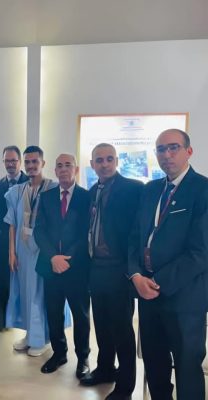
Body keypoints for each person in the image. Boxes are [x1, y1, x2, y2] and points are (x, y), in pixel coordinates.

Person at [129, 129, 208, 400]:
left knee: (187, 367)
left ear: (189, 151)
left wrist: (158, 282)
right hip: (147, 293)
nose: (167, 154)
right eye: (161, 149)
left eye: (173, 147)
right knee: (155, 363)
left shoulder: (203, 190)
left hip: (184, 297)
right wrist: (135, 274)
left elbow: (201, 251)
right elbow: (134, 237)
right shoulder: (150, 190)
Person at [81, 144, 143, 400]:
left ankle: (125, 386)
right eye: (99, 160)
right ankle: (105, 369)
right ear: (92, 164)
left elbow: (138, 232)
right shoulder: (91, 191)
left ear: (116, 161)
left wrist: (134, 268)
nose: (104, 164)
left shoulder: (133, 189)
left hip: (120, 268)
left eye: (109, 159)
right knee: (101, 324)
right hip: (96, 267)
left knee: (122, 329)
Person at [34, 154, 91, 378]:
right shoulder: (46, 197)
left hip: (77, 268)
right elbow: (39, 230)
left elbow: (86, 232)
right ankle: (59, 354)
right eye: (60, 166)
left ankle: (83, 357)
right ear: (55, 171)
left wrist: (67, 259)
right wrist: (53, 257)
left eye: (68, 165)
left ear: (76, 169)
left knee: (81, 315)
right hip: (51, 267)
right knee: (54, 312)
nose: (64, 169)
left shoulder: (86, 197)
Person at [4, 145, 57, 357]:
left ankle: (41, 338)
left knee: (39, 294)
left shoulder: (53, 189)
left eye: (35, 161)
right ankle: (29, 334)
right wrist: (11, 253)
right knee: (25, 292)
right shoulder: (16, 192)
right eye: (27, 162)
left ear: (43, 163)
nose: (31, 165)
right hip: (22, 251)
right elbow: (12, 224)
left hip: (44, 251)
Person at [0, 145, 28, 330]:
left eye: (14, 160)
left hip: (27, 242)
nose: (11, 164)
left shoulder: (31, 183)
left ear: (20, 162)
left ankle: (26, 321)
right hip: (4, 241)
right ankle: (2, 321)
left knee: (26, 282)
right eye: (7, 161)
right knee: (3, 281)